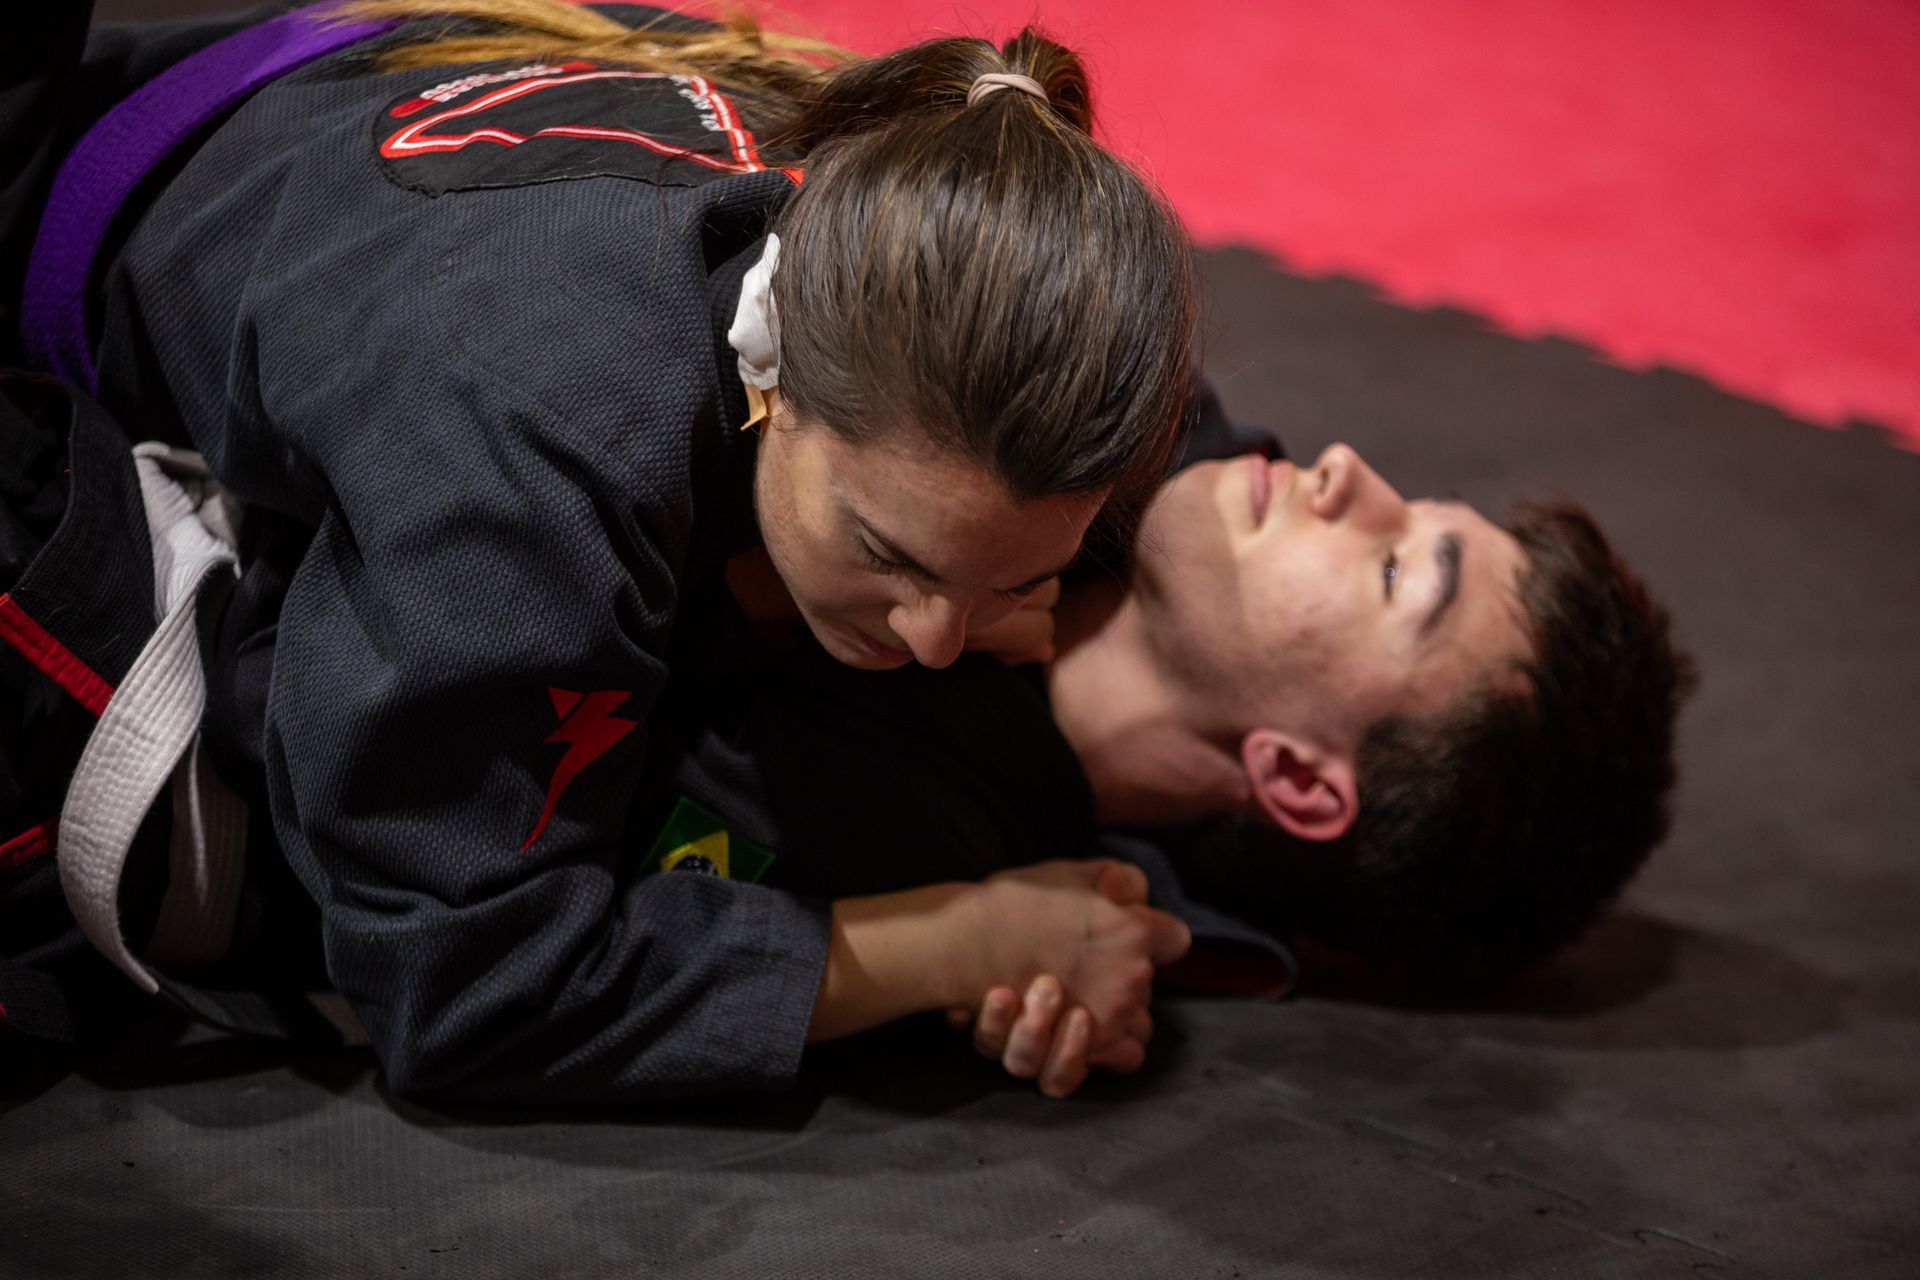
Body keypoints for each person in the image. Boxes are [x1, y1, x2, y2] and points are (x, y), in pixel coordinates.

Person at [0, 3, 1198, 1095]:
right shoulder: (548, 459)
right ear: (775, 370)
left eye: (1012, 578)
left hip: (219, 106)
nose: (938, 639)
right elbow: (465, 992)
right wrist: (958, 939)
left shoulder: (904, 181)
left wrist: (959, 568)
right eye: (893, 553)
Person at [646, 436, 1695, 1098]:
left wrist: (936, 953)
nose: (1346, 468)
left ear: (1296, 779)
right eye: (1416, 502)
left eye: (1390, 569)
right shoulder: (1132, 405)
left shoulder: (898, 834)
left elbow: (534, 875)